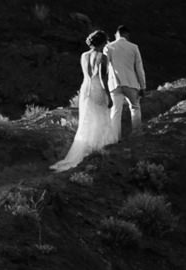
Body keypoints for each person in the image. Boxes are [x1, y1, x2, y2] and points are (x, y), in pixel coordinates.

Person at [53, 30, 121, 170]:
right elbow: (103, 79)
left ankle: (85, 148)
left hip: (85, 89)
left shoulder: (84, 55)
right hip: (98, 89)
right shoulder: (102, 57)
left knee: (87, 119)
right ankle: (98, 147)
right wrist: (108, 96)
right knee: (101, 117)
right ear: (103, 42)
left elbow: (87, 74)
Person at [105, 26, 146, 139]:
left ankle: (114, 138)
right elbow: (139, 68)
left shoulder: (109, 47)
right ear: (127, 35)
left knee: (116, 111)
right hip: (131, 83)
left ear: (116, 34)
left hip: (114, 84)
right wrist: (143, 86)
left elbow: (105, 67)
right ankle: (136, 135)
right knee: (135, 107)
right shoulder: (134, 47)